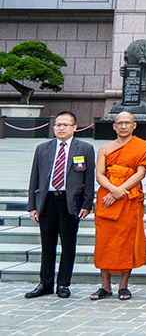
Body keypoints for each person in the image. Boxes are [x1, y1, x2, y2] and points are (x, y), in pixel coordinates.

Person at [25, 111, 95, 299]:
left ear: (74, 128)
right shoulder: (42, 148)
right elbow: (35, 179)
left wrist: (87, 204)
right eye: (58, 125)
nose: (61, 128)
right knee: (47, 245)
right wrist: (32, 206)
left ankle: (63, 283)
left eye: (65, 125)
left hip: (70, 202)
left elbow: (88, 180)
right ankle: (45, 283)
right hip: (47, 201)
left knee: (68, 244)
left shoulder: (85, 149)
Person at [91, 111, 146, 301]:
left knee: (127, 240)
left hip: (129, 197)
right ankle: (105, 285)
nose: (124, 126)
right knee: (104, 241)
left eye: (128, 123)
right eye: (120, 123)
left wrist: (119, 191)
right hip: (107, 198)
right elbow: (100, 174)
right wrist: (112, 189)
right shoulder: (105, 148)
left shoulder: (143, 148)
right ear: (114, 126)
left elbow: (140, 173)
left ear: (134, 125)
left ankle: (123, 286)